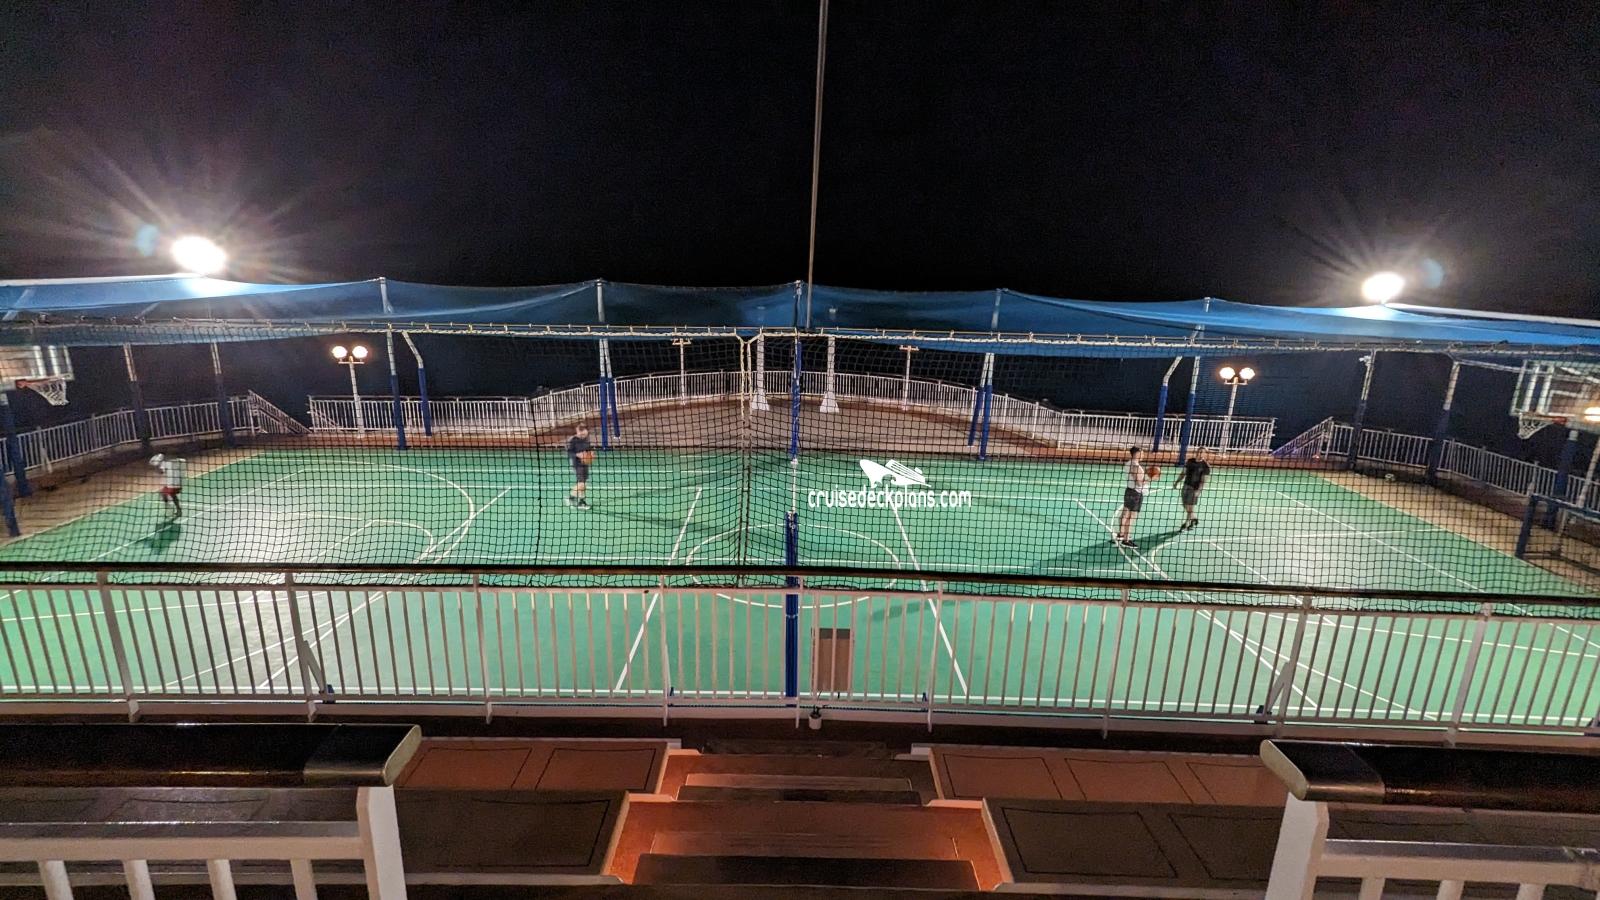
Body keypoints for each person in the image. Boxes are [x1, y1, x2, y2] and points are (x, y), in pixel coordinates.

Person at [1115, 445, 1148, 548]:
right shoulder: (1135, 466)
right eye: (1141, 453)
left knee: (1125, 513)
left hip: (1129, 491)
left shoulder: (1129, 463)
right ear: (1136, 454)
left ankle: (1121, 534)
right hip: (1135, 493)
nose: (1143, 455)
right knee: (1131, 516)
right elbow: (1139, 483)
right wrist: (1151, 478)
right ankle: (1126, 540)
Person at [1174, 447, 1211, 530]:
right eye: (1199, 451)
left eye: (1202, 452)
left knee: (1190, 507)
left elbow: (1203, 481)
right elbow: (1183, 473)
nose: (1199, 453)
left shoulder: (1206, 466)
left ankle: (1186, 523)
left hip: (1194, 488)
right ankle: (1194, 518)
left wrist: (1198, 491)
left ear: (1205, 454)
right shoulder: (1190, 461)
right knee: (1185, 505)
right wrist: (1177, 482)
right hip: (1185, 486)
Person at [565, 423, 594, 509]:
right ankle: (570, 497)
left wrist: (591, 453)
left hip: (585, 463)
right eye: (583, 432)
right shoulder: (573, 440)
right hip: (577, 464)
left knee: (582, 483)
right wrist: (577, 455)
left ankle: (581, 502)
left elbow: (588, 449)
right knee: (582, 483)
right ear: (579, 431)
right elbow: (569, 453)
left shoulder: (586, 439)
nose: (585, 434)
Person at [149, 453, 187, 517]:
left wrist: (157, 466)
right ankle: (174, 509)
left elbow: (161, 471)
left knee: (169, 494)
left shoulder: (170, 463)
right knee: (165, 494)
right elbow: (161, 471)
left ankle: (174, 510)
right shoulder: (167, 463)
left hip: (175, 482)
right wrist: (157, 466)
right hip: (172, 482)